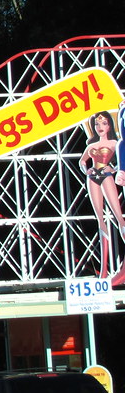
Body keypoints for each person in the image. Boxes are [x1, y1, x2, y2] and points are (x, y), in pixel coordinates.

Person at [80, 110, 125, 282]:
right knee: (100, 220)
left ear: (110, 125)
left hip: (106, 177)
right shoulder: (91, 146)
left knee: (119, 217)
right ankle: (103, 271)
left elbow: (120, 161)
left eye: (104, 123)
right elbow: (82, 161)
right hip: (93, 178)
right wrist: (87, 170)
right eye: (97, 124)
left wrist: (112, 169)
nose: (100, 127)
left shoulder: (115, 143)